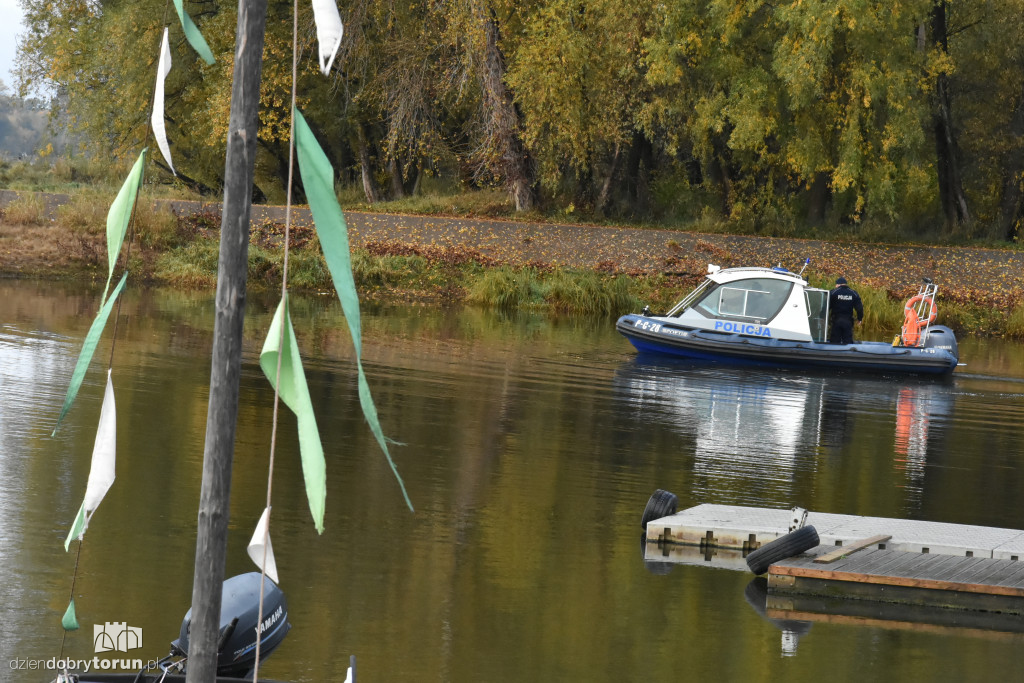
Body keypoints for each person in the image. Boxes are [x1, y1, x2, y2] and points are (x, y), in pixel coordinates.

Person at [828, 277, 863, 344]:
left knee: (834, 342)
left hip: (836, 321)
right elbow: (860, 308)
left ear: (838, 284)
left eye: (836, 285)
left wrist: (821, 316)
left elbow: (827, 306)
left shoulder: (833, 292)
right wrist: (859, 318)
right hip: (848, 321)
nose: (835, 286)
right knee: (848, 342)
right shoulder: (854, 293)